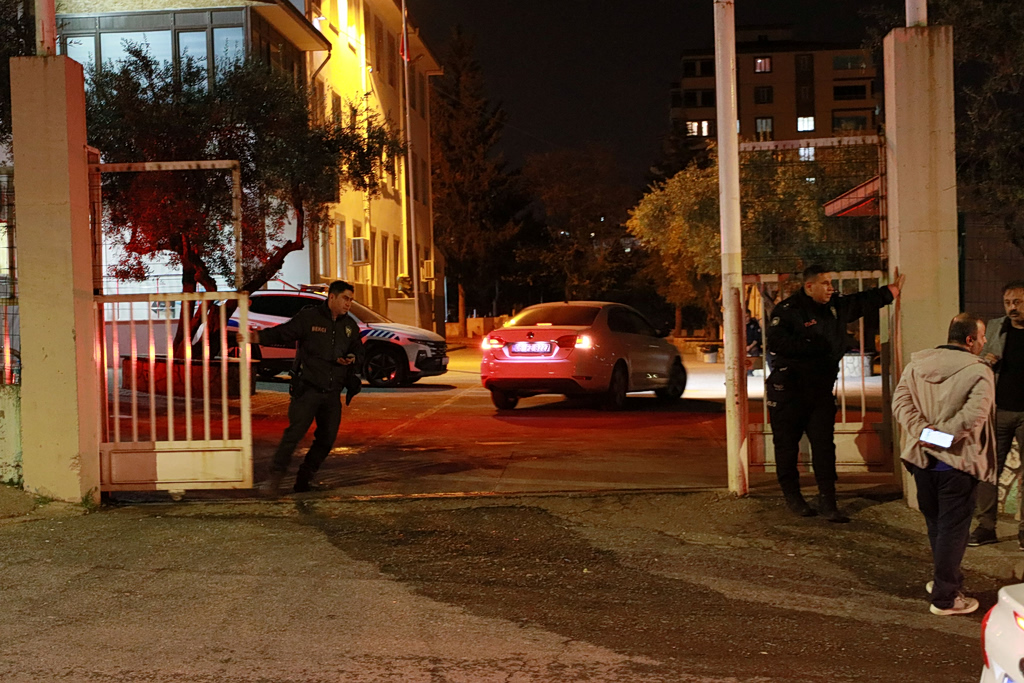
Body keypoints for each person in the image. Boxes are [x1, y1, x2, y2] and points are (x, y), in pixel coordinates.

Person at [766, 265, 903, 521]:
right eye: (825, 283)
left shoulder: (835, 306)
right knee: (786, 447)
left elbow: (861, 302)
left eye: (831, 283)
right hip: (789, 391)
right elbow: (776, 341)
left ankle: (828, 500)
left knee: (824, 447)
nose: (831, 288)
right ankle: (793, 497)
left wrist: (890, 291)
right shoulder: (788, 310)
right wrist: (813, 346)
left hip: (820, 390)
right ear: (809, 287)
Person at [892, 313, 996, 616]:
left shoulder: (916, 365)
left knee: (937, 527)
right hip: (957, 463)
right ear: (970, 340)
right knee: (953, 531)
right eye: (982, 336)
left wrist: (925, 434)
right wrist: (940, 438)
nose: (984, 341)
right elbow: (974, 416)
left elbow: (900, 404)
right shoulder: (979, 371)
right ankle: (946, 597)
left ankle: (945, 581)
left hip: (921, 461)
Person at [238, 280, 365, 497]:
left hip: (332, 392)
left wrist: (351, 358)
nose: (348, 304)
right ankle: (274, 479)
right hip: (308, 389)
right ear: (332, 297)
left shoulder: (349, 326)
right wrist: (256, 337)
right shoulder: (310, 318)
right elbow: (284, 332)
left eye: (351, 300)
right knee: (293, 435)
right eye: (345, 298)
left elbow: (358, 351)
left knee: (326, 439)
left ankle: (304, 480)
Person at [968, 281, 1024, 548]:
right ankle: (986, 526)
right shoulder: (995, 327)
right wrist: (985, 363)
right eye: (1008, 303)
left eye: (1018, 302)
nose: (1012, 308)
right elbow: (976, 361)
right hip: (998, 410)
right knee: (988, 470)